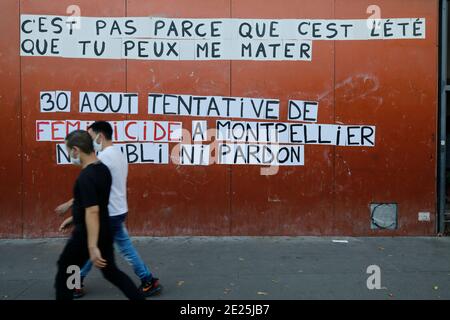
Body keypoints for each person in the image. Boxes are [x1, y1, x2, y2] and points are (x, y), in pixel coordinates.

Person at [56, 121, 161, 299]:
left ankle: (75, 282)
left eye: (90, 137)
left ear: (100, 136)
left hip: (108, 212)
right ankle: (148, 279)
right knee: (121, 248)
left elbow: (91, 192)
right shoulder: (119, 154)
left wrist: (70, 205)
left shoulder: (103, 159)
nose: (88, 142)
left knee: (92, 250)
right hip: (119, 209)